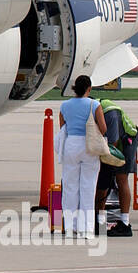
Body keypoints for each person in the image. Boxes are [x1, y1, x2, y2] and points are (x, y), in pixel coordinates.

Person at [57, 75, 106, 238]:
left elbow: (62, 127)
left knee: (70, 187)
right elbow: (103, 128)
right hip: (89, 145)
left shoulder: (64, 106)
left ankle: (70, 227)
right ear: (89, 89)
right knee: (88, 187)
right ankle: (87, 229)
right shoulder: (94, 104)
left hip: (71, 144)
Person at [96, 98, 138, 237]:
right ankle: (100, 220)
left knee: (121, 178)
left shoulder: (110, 114)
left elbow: (113, 143)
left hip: (126, 141)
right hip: (111, 143)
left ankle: (125, 224)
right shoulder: (94, 110)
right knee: (103, 179)